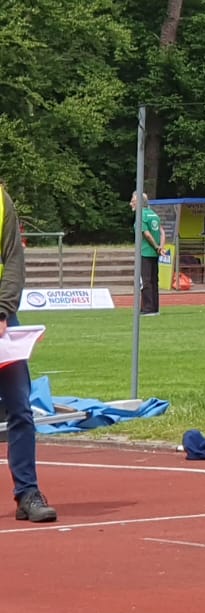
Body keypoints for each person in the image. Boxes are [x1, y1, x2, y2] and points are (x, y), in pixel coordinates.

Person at [1, 185, 57, 522]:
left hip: (2, 321)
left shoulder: (1, 201)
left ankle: (27, 492)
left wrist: (3, 310)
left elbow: (13, 260)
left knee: (20, 408)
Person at [132, 193, 163, 316]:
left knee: (145, 281)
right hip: (154, 254)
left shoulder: (141, 216)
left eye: (133, 200)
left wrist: (155, 246)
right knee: (154, 280)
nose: (131, 203)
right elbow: (162, 232)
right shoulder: (154, 215)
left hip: (145, 252)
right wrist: (160, 247)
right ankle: (155, 308)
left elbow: (147, 234)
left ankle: (148, 308)